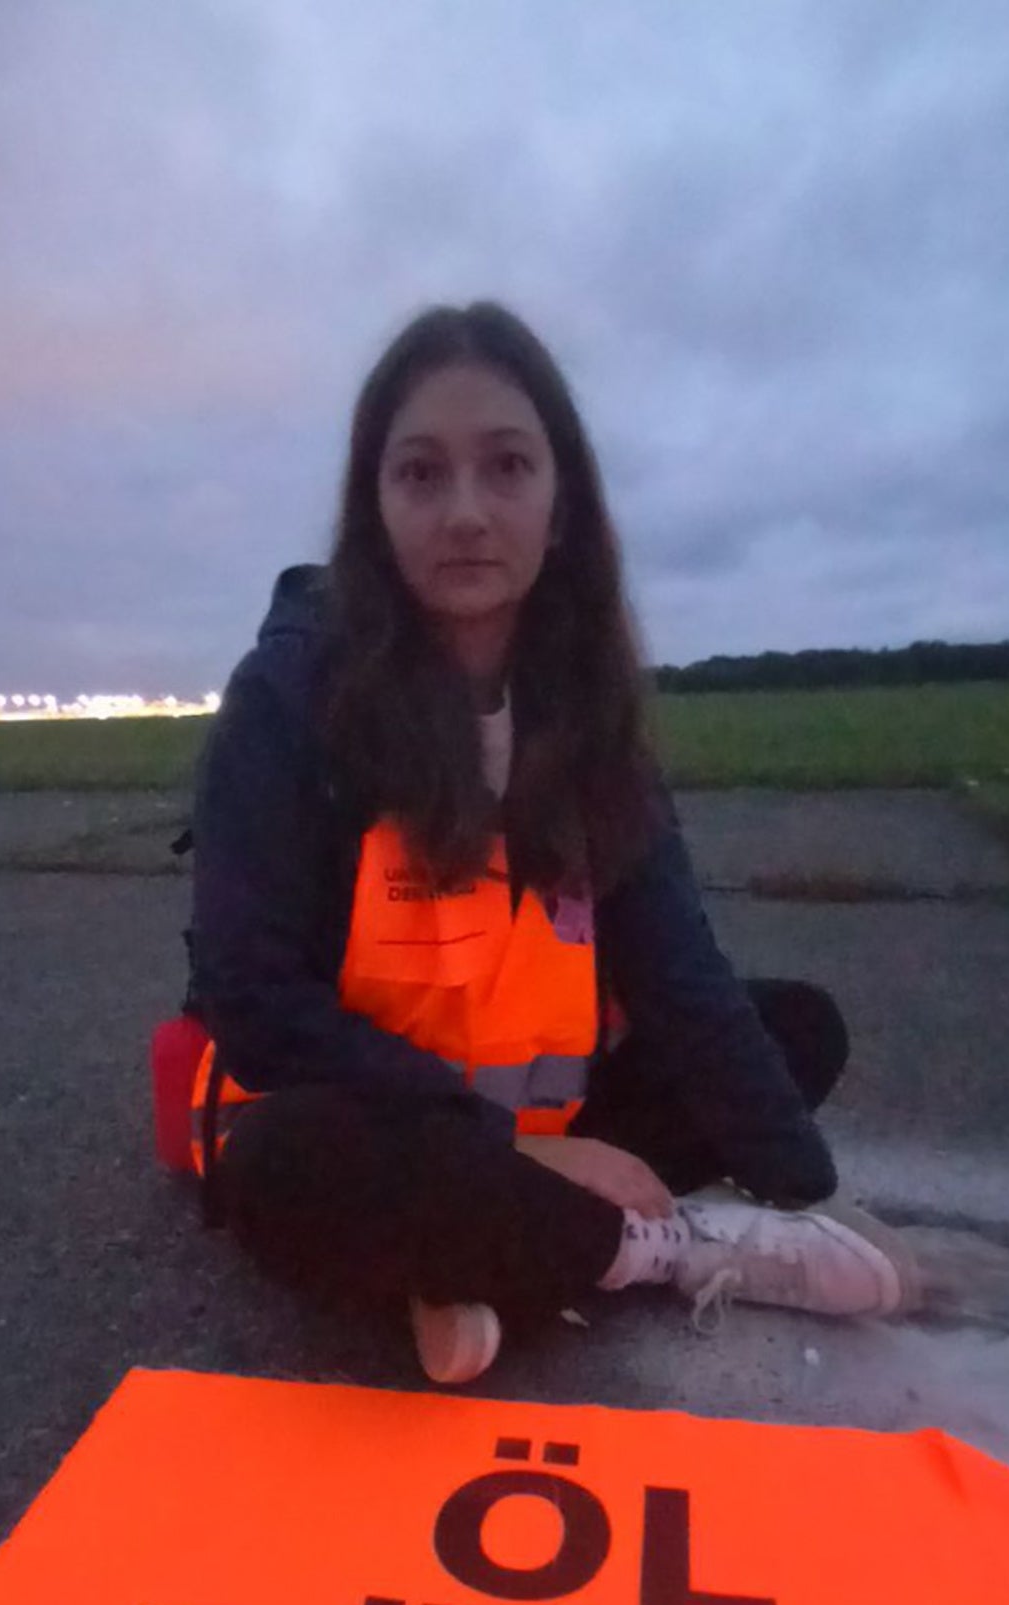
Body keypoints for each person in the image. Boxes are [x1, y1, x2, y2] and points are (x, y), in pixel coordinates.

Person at [183, 300, 920, 1386]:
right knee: (284, 1173)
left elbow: (680, 973)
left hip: (534, 1127)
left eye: (509, 467)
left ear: (562, 502)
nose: (467, 511)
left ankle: (476, 1265)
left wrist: (814, 1198)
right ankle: (646, 1250)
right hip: (361, 1119)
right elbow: (250, 998)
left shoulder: (587, 712)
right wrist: (511, 1146)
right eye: (422, 474)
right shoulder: (293, 696)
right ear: (373, 508)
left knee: (795, 1030)